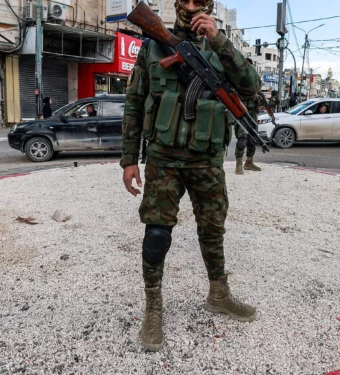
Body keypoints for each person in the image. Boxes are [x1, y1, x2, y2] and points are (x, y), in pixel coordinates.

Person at [121, 0, 260, 352]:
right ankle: (153, 307)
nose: (191, 6)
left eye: (200, 1)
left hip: (207, 158)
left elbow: (251, 87)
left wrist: (219, 40)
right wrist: (128, 160)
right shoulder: (154, 45)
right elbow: (135, 102)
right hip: (163, 157)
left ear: (209, 6)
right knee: (157, 232)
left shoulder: (222, 45)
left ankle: (219, 294)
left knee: (212, 229)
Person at [235, 65, 263, 175]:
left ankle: (249, 162)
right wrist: (251, 96)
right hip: (242, 113)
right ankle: (238, 164)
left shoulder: (255, 81)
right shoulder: (237, 80)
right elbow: (234, 94)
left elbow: (258, 92)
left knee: (253, 137)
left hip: (252, 113)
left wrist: (258, 98)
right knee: (242, 138)